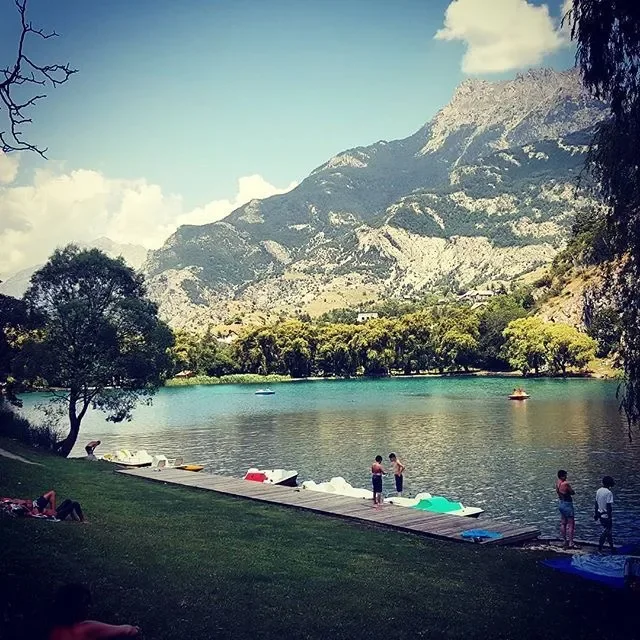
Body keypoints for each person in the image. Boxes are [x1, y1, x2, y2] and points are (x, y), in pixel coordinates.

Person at [49, 584, 140, 639]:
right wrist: (135, 629)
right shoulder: (85, 628)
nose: (89, 606)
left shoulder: (54, 631)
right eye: (85, 603)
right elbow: (129, 631)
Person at [555, 470, 576, 549]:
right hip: (567, 504)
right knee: (571, 524)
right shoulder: (566, 484)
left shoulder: (558, 483)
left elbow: (557, 491)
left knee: (563, 523)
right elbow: (572, 492)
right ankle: (571, 542)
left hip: (561, 503)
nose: (566, 477)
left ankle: (564, 540)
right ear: (562, 476)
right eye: (565, 475)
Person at [595, 475, 615, 553]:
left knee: (608, 532)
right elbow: (609, 506)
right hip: (606, 515)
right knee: (607, 532)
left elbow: (596, 503)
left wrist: (596, 513)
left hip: (600, 514)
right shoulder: (609, 493)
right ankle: (600, 547)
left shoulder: (599, 490)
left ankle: (611, 547)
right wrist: (610, 517)